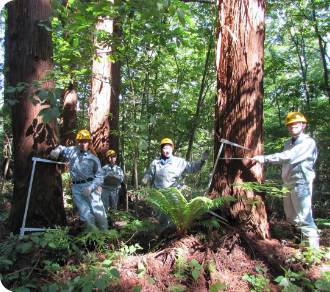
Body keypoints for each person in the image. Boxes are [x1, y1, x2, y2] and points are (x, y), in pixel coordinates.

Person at [252, 112, 319, 248]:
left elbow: (289, 157)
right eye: (290, 125)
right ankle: (298, 240)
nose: (293, 127)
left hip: (301, 182)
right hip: (287, 183)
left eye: (296, 124)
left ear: (303, 125)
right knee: (291, 215)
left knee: (304, 216)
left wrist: (265, 158)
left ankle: (313, 250)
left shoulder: (307, 142)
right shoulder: (289, 143)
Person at [141, 138, 210, 228]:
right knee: (162, 218)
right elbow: (150, 173)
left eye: (169, 148)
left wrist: (201, 160)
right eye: (165, 148)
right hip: (159, 194)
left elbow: (192, 167)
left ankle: (173, 236)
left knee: (175, 217)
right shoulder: (156, 163)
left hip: (174, 194)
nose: (167, 150)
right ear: (161, 149)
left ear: (172, 149)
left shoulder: (179, 162)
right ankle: (163, 235)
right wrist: (145, 179)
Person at [49, 130, 108, 231]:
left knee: (99, 213)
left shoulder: (93, 158)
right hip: (77, 188)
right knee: (86, 216)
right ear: (77, 142)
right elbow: (62, 148)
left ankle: (106, 236)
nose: (82, 144)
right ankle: (94, 238)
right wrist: (56, 151)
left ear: (89, 143)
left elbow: (100, 176)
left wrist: (90, 188)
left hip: (90, 187)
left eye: (85, 141)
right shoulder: (72, 151)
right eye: (80, 142)